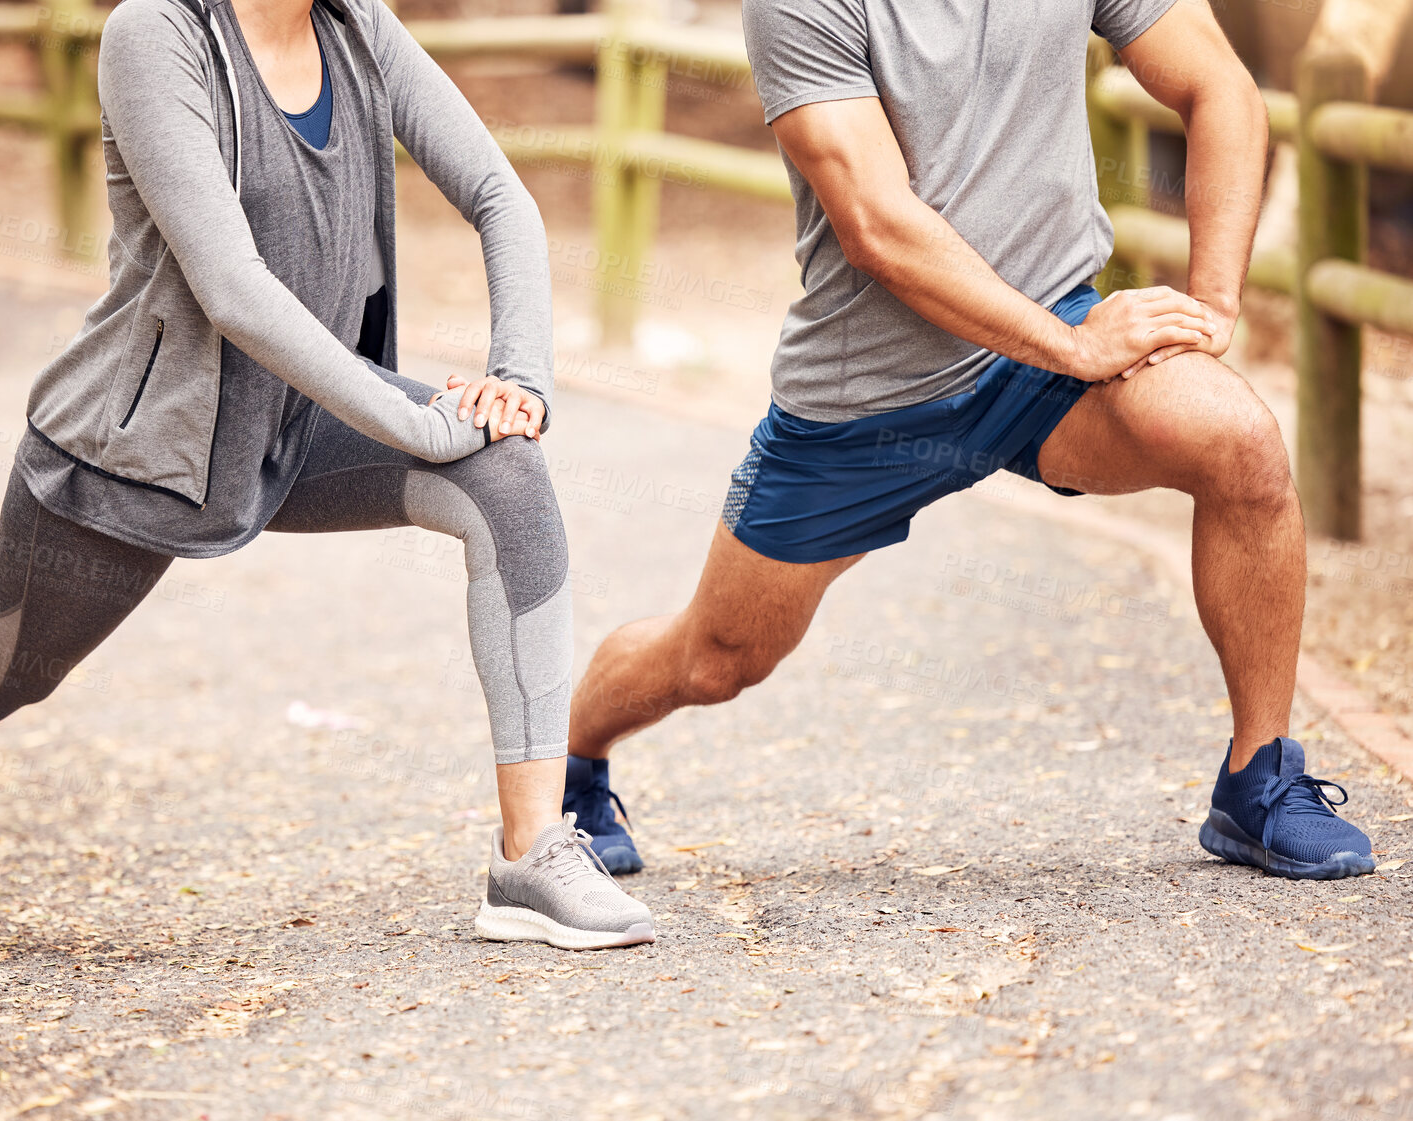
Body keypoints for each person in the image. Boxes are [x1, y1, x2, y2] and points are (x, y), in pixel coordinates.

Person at [0, 0, 654, 950]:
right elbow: (233, 286)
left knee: (504, 477)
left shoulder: (356, 26)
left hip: (299, 421)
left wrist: (518, 383)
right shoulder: (157, 34)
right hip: (138, 450)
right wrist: (415, 421)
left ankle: (532, 851)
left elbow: (501, 197)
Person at [561, 0, 1376, 881]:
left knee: (1240, 442)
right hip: (866, 397)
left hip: (1051, 356)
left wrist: (1212, 307)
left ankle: (1258, 782)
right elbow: (875, 222)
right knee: (715, 658)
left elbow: (1219, 86)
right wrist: (1068, 345)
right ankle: (574, 761)